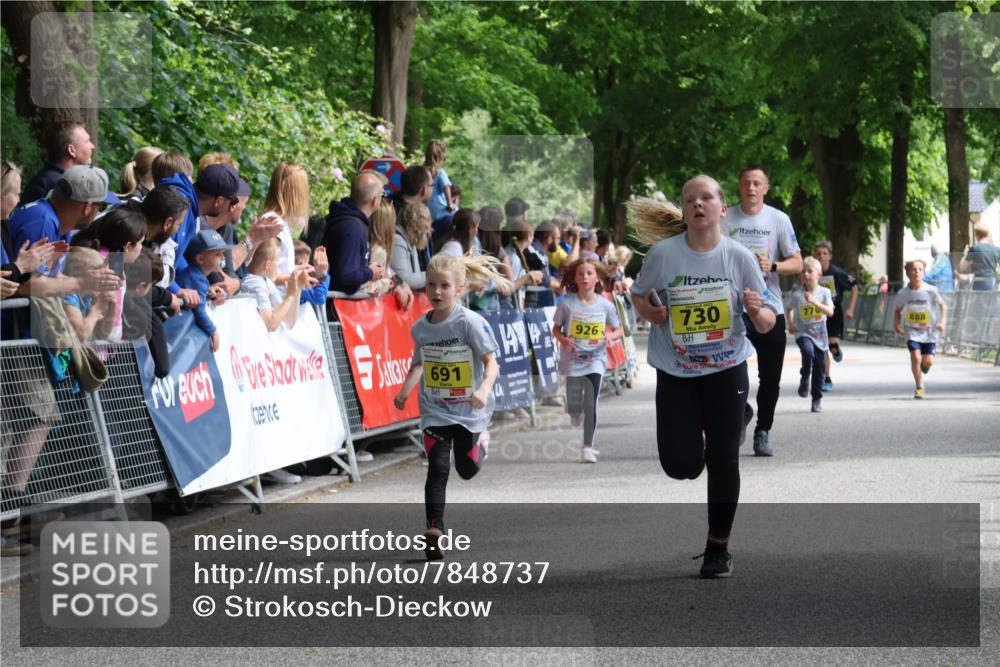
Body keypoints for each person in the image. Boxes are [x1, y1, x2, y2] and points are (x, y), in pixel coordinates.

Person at [628, 176, 777, 578]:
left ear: (721, 209)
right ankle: (734, 422)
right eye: (690, 199)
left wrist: (754, 309)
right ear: (684, 210)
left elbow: (766, 322)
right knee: (680, 465)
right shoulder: (663, 255)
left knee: (724, 458)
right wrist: (651, 312)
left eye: (706, 198)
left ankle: (718, 548)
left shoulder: (739, 257)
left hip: (726, 369)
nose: (698, 204)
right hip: (676, 369)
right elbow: (637, 293)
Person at [392, 253, 512, 560]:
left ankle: (481, 440)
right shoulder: (421, 328)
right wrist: (405, 392)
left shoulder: (469, 323)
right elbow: (418, 364)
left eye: (444, 286)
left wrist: (484, 389)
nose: (436, 292)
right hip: (434, 409)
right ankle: (435, 530)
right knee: (438, 467)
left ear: (458, 289)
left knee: (467, 470)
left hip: (469, 411)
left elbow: (491, 363)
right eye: (431, 285)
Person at [722, 165, 802, 457]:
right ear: (739, 188)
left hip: (769, 303)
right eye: (746, 183)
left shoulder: (778, 219)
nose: (751, 188)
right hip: (731, 305)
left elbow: (798, 262)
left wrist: (774, 266)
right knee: (727, 367)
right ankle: (741, 410)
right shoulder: (725, 217)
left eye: (757, 183)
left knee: (771, 376)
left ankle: (763, 431)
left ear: (766, 189)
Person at [551, 257, 621, 463]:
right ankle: (574, 411)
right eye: (580, 273)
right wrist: (563, 339)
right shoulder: (567, 304)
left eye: (589, 273)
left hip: (595, 359)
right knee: (574, 404)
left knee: (590, 403)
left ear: (597, 277)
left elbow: (619, 330)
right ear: (575, 277)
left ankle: (587, 448)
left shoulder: (605, 305)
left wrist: (609, 336)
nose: (585, 277)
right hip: (572, 359)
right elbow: (555, 329)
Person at [324, 171, 386, 295]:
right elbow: (345, 275)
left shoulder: (344, 219)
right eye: (382, 195)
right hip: (335, 307)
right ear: (375, 200)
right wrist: (370, 272)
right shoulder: (353, 229)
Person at [786, 257, 834, 412]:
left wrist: (814, 302)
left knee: (820, 368)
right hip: (803, 333)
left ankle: (816, 399)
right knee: (808, 351)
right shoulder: (797, 294)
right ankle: (805, 375)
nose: (806, 274)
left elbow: (830, 312)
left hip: (820, 335)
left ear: (818, 275)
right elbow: (789, 309)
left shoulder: (825, 292)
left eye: (810, 271)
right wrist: (791, 324)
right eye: (803, 272)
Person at [893, 259, 946, 399]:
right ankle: (919, 386)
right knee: (915, 356)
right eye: (913, 269)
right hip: (912, 330)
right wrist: (897, 324)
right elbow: (897, 311)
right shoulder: (903, 293)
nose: (917, 272)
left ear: (924, 272)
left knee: (927, 361)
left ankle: (925, 366)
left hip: (929, 332)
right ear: (908, 273)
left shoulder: (931, 290)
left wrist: (942, 322)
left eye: (920, 269)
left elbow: (943, 306)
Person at [175, 229, 235, 352]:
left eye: (223, 253)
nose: (223, 258)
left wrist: (207, 290)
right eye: (218, 254)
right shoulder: (197, 279)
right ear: (200, 259)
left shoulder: (195, 275)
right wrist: (213, 331)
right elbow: (199, 310)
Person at [257, 162, 310, 296]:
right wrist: (294, 276)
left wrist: (296, 270)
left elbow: (278, 267)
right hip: (272, 303)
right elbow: (262, 271)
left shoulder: (280, 221)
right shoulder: (274, 222)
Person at [812, 239, 859, 391]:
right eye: (818, 253)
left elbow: (854, 286)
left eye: (824, 254)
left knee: (831, 345)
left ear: (830, 256)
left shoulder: (837, 273)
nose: (821, 256)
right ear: (814, 255)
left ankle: (836, 349)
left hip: (834, 312)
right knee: (823, 347)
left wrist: (850, 308)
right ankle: (827, 378)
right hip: (818, 312)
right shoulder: (811, 272)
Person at [21, 121, 95, 205]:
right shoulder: (45, 185)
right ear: (71, 150)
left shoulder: (67, 180)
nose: (92, 146)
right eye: (87, 141)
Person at [391, 203, 432, 290]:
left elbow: (415, 275)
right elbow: (402, 280)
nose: (429, 230)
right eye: (426, 226)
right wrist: (434, 274)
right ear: (418, 227)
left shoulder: (410, 241)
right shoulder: (397, 240)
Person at [425, 140, 455, 236]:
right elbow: (446, 187)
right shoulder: (440, 172)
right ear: (440, 155)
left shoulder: (422, 171)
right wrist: (450, 204)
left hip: (427, 214)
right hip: (441, 214)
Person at [960, 223, 1000, 291]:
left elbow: (962, 267)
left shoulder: (975, 248)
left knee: (979, 301)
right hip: (992, 283)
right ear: (987, 234)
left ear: (977, 235)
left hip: (979, 283)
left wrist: (965, 254)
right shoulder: (997, 249)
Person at [293, 240, 330, 306]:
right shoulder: (297, 285)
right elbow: (319, 297)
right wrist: (323, 274)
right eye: (307, 262)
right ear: (301, 263)